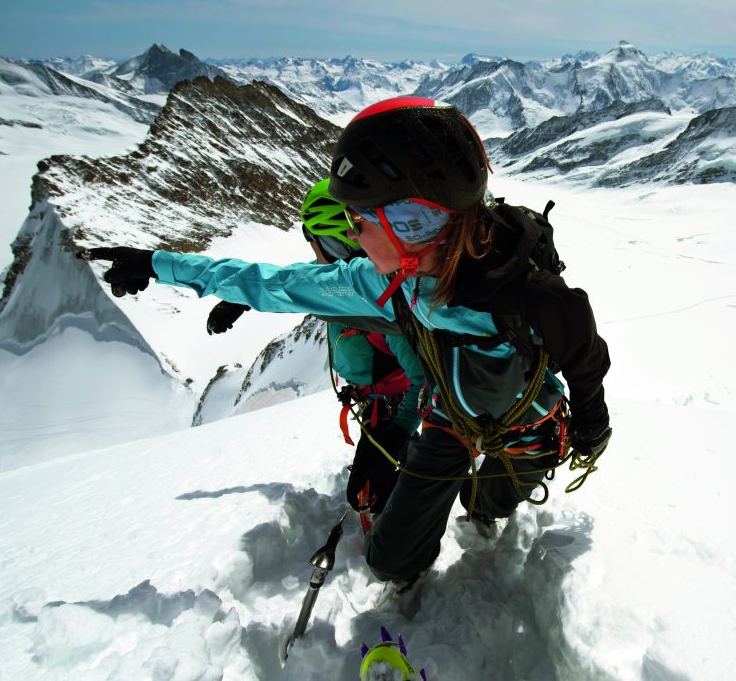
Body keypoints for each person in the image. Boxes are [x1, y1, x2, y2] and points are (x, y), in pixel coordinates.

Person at [81, 96, 612, 587]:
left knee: (485, 504)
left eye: (359, 221)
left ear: (410, 224)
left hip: (528, 426)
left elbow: (587, 362)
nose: (352, 237)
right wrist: (159, 264)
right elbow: (278, 283)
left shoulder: (535, 297)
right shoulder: (385, 282)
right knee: (390, 561)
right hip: (450, 421)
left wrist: (591, 427)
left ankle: (480, 500)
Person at [208, 178, 426, 520]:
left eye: (313, 239)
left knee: (373, 495)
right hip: (378, 401)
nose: (312, 250)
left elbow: (422, 382)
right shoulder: (347, 281)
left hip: (395, 407)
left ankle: (406, 522)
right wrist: (243, 299)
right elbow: (298, 279)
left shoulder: (380, 305)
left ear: (331, 240)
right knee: (372, 489)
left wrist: (396, 436)